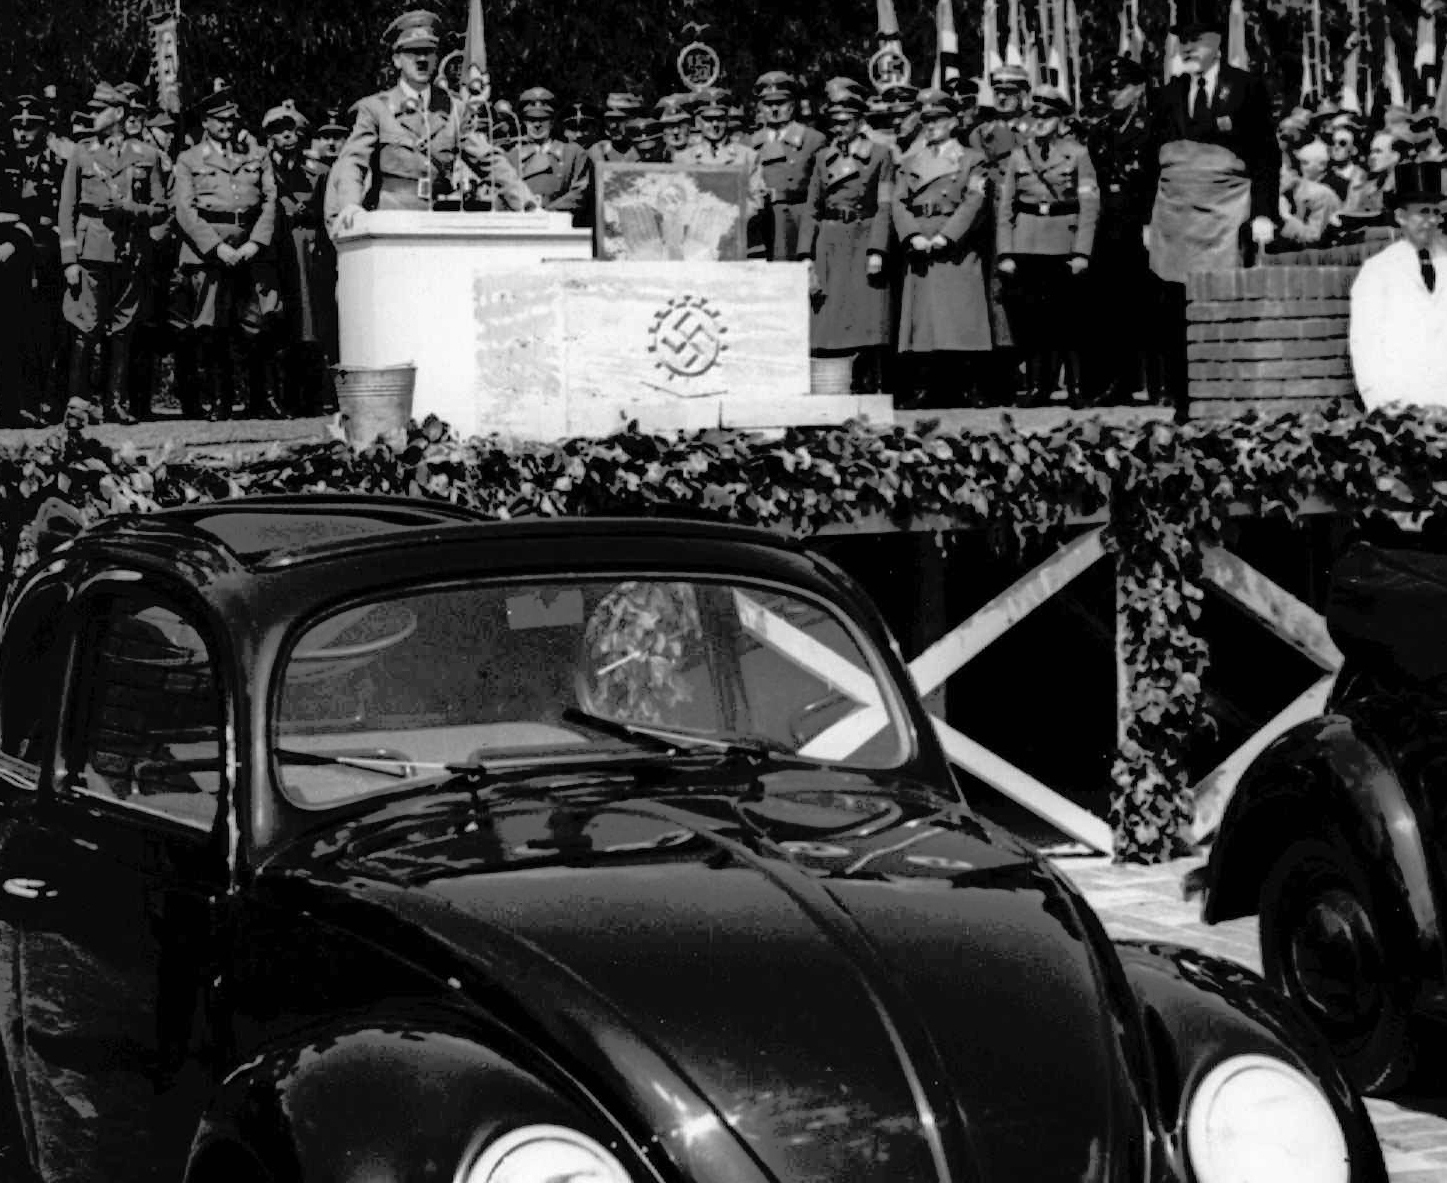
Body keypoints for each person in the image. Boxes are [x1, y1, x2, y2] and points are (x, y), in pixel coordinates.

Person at [1147, 2, 1278, 412]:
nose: (1187, 48)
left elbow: (1265, 157)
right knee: (1174, 306)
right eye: (1182, 41)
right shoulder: (1167, 93)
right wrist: (1146, 221)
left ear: (1217, 43)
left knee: (1222, 299)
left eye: (1196, 40)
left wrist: (1263, 213)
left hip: (1227, 212)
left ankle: (1228, 396)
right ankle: (1184, 400)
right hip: (1177, 216)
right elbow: (1153, 160)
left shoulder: (1245, 87)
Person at [326, 10, 533, 233]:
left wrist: (526, 203)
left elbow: (489, 160)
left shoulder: (454, 109)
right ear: (397, 60)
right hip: (389, 222)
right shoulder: (376, 108)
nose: (422, 59)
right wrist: (350, 206)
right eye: (413, 52)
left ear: (436, 58)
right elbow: (353, 162)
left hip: (438, 222)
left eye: (428, 52)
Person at [57, 82, 166, 422]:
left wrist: (129, 209)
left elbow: (161, 208)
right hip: (90, 252)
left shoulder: (146, 156)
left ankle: (114, 403)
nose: (92, 116)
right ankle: (78, 403)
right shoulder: (82, 153)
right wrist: (69, 260)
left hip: (129, 252)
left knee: (123, 329)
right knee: (85, 327)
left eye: (98, 110)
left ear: (118, 114)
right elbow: (67, 209)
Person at [171, 85, 281, 420]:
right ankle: (221, 401)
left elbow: (269, 202)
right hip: (210, 252)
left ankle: (262, 399)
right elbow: (185, 211)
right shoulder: (189, 160)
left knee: (258, 323)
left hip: (250, 247)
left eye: (232, 119)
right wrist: (216, 247)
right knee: (213, 327)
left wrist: (255, 243)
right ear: (205, 122)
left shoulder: (256, 155)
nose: (228, 126)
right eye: (220, 120)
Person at [997, 86, 1100, 408]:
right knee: (1034, 322)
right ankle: (1039, 387)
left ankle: (1076, 387)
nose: (1040, 122)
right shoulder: (1019, 155)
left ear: (1061, 120)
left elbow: (1089, 206)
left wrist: (1082, 251)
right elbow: (1006, 208)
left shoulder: (1078, 154)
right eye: (1036, 116)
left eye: (1048, 116)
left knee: (1070, 321)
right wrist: (1006, 252)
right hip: (1027, 243)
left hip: (1064, 243)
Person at [891, 88, 992, 407]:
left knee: (961, 316)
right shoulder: (910, 162)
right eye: (926, 120)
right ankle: (926, 387)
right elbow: (898, 202)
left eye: (938, 119)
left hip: (954, 243)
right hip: (921, 238)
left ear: (953, 122)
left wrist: (947, 237)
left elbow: (975, 201)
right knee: (924, 319)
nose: (931, 125)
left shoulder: (972, 159)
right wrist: (912, 236)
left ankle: (968, 386)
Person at [796, 78, 894, 392]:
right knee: (830, 314)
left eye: (846, 122)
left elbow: (884, 206)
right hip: (830, 240)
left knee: (866, 314)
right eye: (834, 123)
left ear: (859, 121)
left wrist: (878, 248)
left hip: (863, 237)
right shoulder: (823, 158)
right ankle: (833, 384)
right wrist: (805, 255)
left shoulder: (880, 155)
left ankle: (869, 380)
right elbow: (812, 208)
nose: (840, 129)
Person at [1084, 56, 1161, 405]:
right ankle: (1117, 382)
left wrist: (1151, 220)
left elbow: (1159, 181)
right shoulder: (1100, 129)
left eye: (1122, 87)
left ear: (1139, 88)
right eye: (1110, 88)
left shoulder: (1154, 126)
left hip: (1142, 220)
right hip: (1108, 222)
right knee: (1110, 306)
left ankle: (1159, 384)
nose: (1114, 94)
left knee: (1148, 304)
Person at [1348, 161, 1447, 410]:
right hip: (1401, 404)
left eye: (1436, 212)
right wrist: (1380, 401)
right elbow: (1364, 341)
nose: (1431, 220)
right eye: (1423, 212)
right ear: (1401, 216)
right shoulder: (1378, 271)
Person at [4, 94, 67, 420]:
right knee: (16, 328)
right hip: (15, 258)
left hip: (50, 256)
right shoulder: (6, 164)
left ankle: (47, 399)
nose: (23, 134)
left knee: (49, 329)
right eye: (18, 127)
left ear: (45, 128)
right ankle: (19, 402)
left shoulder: (59, 165)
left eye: (31, 127)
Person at [266, 99, 327, 416]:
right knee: (274, 320)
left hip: (305, 246)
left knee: (309, 322)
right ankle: (278, 396)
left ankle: (311, 398)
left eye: (291, 130)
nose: (286, 136)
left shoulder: (317, 171)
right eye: (278, 131)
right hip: (273, 247)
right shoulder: (263, 170)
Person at [748, 71, 825, 261]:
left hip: (798, 220)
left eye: (780, 103)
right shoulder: (748, 144)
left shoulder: (813, 140)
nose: (774, 109)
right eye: (767, 104)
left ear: (792, 105)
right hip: (763, 222)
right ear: (759, 107)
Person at [509, 87, 590, 216]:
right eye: (531, 119)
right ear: (524, 121)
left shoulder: (572, 153)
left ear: (552, 121)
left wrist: (547, 212)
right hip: (522, 224)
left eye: (543, 119)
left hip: (561, 224)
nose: (537, 125)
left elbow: (580, 192)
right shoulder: (512, 157)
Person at [1276, 139, 1342, 247]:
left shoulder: (1320, 195)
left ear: (1293, 173)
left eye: (1279, 176)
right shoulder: (1280, 195)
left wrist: (1286, 217)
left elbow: (1314, 238)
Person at [587, 92, 643, 167]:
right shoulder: (599, 150)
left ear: (633, 120)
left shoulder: (645, 149)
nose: (613, 126)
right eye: (610, 120)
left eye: (619, 120)